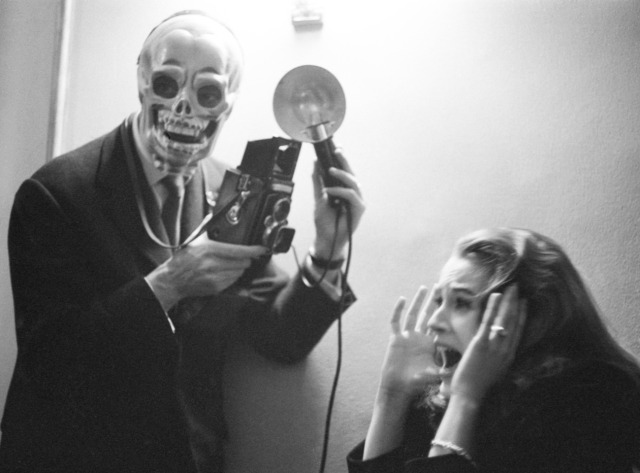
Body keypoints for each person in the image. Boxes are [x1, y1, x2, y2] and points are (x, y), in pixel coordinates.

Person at [0, 10, 365, 473]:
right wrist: (167, 285)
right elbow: (51, 364)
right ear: (142, 85)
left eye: (207, 92)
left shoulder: (231, 193)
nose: (184, 108)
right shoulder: (56, 194)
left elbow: (280, 339)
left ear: (228, 104)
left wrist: (329, 251)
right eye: (167, 85)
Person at [347, 227, 640, 473]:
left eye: (461, 302)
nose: (434, 321)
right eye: (439, 301)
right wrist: (391, 396)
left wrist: (466, 399)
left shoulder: (591, 401)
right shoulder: (442, 398)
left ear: (525, 320)